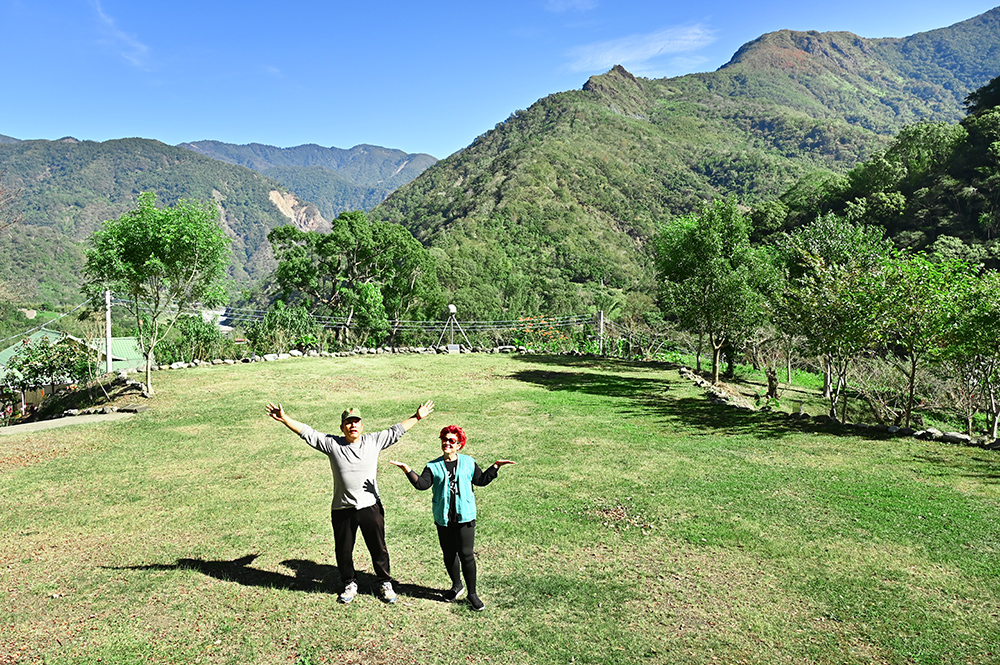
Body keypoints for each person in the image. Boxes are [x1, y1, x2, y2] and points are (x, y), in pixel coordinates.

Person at [266, 400, 434, 604]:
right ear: (342, 427)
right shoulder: (332, 444)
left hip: (370, 506)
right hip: (342, 508)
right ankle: (349, 583)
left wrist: (417, 417)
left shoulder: (373, 441)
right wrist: (284, 418)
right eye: (348, 422)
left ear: (362, 426)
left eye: (356, 422)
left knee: (378, 547)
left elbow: (396, 431)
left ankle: (385, 582)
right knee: (343, 550)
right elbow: (307, 432)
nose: (353, 425)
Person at [389, 425, 514, 611]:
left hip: (465, 517)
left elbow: (480, 481)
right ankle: (457, 586)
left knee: (466, 555)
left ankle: (472, 594)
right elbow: (422, 485)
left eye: (451, 441)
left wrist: (496, 466)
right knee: (449, 554)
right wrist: (408, 470)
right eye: (444, 439)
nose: (447, 443)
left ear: (459, 445)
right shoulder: (433, 466)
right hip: (444, 518)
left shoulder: (468, 462)